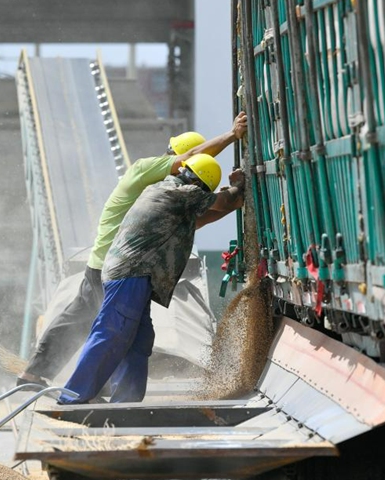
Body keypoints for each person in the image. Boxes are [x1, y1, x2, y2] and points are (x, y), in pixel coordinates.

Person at [17, 113, 248, 388]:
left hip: (126, 266)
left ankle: (62, 379)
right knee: (102, 326)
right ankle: (66, 382)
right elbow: (192, 160)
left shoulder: (173, 195)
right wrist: (232, 135)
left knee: (101, 324)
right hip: (113, 264)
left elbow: (200, 218)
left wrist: (234, 199)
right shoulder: (145, 172)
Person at [58, 153, 245, 404]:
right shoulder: (180, 193)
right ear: (201, 184)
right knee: (112, 332)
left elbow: (205, 217)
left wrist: (233, 199)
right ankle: (72, 396)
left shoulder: (168, 192)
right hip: (130, 274)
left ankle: (126, 400)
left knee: (139, 338)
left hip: (136, 275)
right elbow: (224, 202)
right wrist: (239, 186)